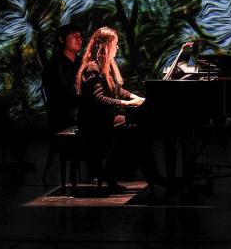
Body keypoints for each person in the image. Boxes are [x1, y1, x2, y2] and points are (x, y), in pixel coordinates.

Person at [76, 26, 157, 194]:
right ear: (106, 46)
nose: (117, 47)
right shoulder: (93, 68)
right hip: (94, 122)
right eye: (115, 44)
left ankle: (148, 176)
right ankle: (116, 174)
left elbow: (116, 90)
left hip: (105, 118)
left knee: (141, 130)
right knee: (136, 131)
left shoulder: (105, 67)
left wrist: (136, 98)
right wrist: (127, 104)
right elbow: (98, 98)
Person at [41, 24, 83, 133]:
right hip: (64, 114)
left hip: (79, 108)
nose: (79, 39)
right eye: (74, 35)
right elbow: (65, 93)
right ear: (61, 39)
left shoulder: (81, 62)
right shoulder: (54, 65)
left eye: (80, 36)